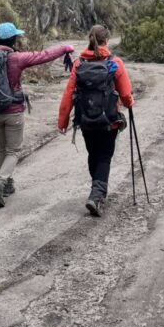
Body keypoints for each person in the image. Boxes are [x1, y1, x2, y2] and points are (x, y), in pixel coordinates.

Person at [0, 22, 73, 208]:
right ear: (13, 40)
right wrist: (64, 48)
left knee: (2, 149)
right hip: (13, 112)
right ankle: (0, 182)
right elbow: (43, 55)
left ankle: (7, 185)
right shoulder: (16, 58)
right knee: (13, 151)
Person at [57, 25, 133, 217]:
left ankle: (96, 189)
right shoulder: (115, 62)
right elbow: (125, 93)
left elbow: (68, 93)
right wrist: (129, 103)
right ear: (106, 40)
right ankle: (97, 195)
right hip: (109, 121)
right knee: (104, 156)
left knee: (94, 153)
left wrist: (63, 120)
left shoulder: (79, 64)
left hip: (85, 120)